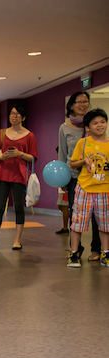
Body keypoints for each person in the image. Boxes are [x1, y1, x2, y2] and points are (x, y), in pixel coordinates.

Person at [0, 105, 38, 250]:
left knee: (18, 207)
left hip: (20, 175)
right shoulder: (2, 133)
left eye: (17, 114)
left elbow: (33, 158)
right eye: (12, 113)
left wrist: (20, 154)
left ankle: (17, 240)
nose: (14, 116)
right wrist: (1, 157)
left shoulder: (29, 135)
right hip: (4, 173)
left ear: (23, 117)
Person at [59, 91, 100, 261]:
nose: (82, 105)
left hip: (95, 176)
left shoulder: (95, 123)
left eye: (85, 102)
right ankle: (76, 249)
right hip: (74, 176)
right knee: (76, 214)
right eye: (78, 102)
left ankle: (97, 249)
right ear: (72, 105)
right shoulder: (65, 127)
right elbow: (62, 153)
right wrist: (62, 177)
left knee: (97, 215)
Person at [66, 109, 109, 267]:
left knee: (105, 224)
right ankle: (74, 253)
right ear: (88, 127)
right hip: (85, 188)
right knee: (78, 222)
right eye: (95, 123)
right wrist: (84, 161)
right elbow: (73, 163)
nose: (100, 125)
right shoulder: (83, 143)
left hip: (105, 189)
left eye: (102, 121)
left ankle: (106, 253)